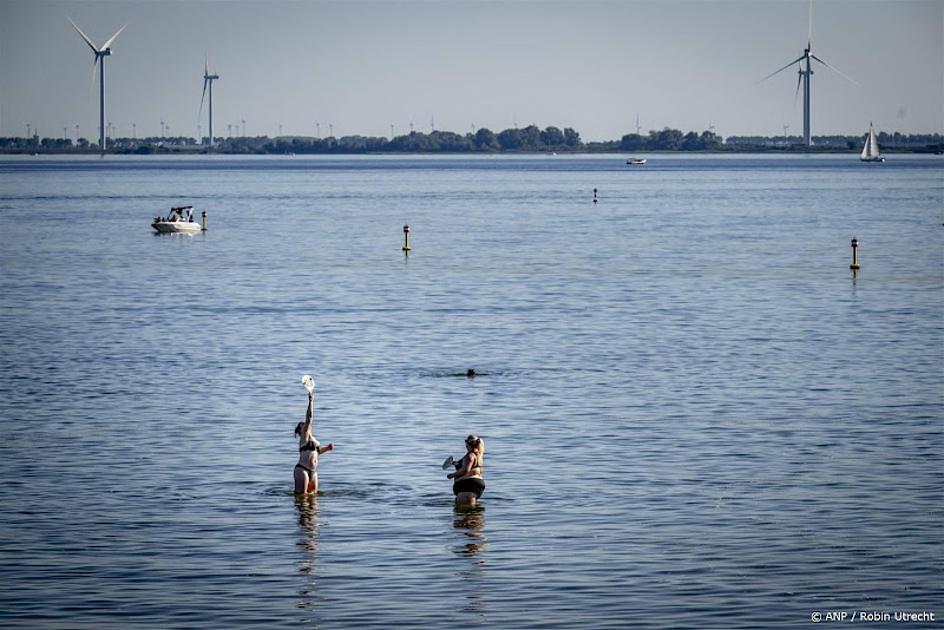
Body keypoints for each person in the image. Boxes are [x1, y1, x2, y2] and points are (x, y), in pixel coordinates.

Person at [294, 390, 334, 494]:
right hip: (302, 470)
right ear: (300, 430)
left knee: (313, 501)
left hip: (313, 472)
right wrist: (311, 401)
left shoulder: (313, 439)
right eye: (302, 424)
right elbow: (309, 418)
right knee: (302, 499)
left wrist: (327, 448)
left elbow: (316, 452)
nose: (305, 424)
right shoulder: (304, 437)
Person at [447, 434, 485, 508]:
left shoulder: (470, 455)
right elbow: (472, 467)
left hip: (467, 486)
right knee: (474, 516)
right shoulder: (479, 455)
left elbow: (465, 470)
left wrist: (452, 475)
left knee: (465, 513)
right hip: (475, 485)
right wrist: (458, 463)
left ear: (467, 444)